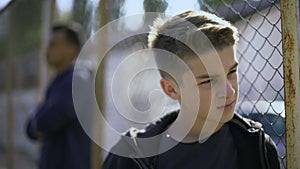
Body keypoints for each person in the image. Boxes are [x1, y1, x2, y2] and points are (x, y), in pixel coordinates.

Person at [102, 10, 280, 169]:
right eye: (208, 81)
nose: (230, 92)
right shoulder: (128, 158)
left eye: (232, 72)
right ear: (171, 89)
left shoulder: (258, 148)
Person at [26, 24, 92, 169]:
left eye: (53, 44)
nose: (46, 50)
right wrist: (37, 125)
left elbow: (53, 116)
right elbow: (36, 125)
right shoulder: (57, 81)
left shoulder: (78, 79)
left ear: (72, 49)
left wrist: (36, 124)